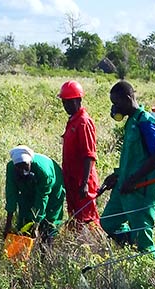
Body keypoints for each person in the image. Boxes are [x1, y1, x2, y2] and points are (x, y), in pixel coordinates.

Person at [99, 80, 155, 252]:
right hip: (124, 186)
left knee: (144, 241)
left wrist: (133, 180)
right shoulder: (131, 122)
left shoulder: (145, 121)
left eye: (116, 103)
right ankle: (132, 245)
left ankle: (150, 268)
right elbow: (132, 157)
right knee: (108, 222)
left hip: (141, 190)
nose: (114, 108)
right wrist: (118, 176)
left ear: (128, 99)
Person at [58, 80, 100, 228]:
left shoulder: (83, 122)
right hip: (72, 179)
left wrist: (84, 184)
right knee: (75, 218)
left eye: (69, 102)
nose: (66, 106)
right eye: (64, 102)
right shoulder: (73, 120)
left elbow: (89, 154)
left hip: (83, 181)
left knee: (88, 218)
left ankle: (95, 246)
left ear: (78, 100)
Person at [3, 145, 65, 246]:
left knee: (50, 219)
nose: (22, 170)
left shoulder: (43, 171)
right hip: (28, 188)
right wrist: (8, 225)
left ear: (30, 162)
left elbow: (42, 199)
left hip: (53, 188)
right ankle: (22, 249)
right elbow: (11, 194)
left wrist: (36, 224)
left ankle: (47, 246)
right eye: (18, 167)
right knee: (24, 216)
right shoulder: (11, 169)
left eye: (25, 165)